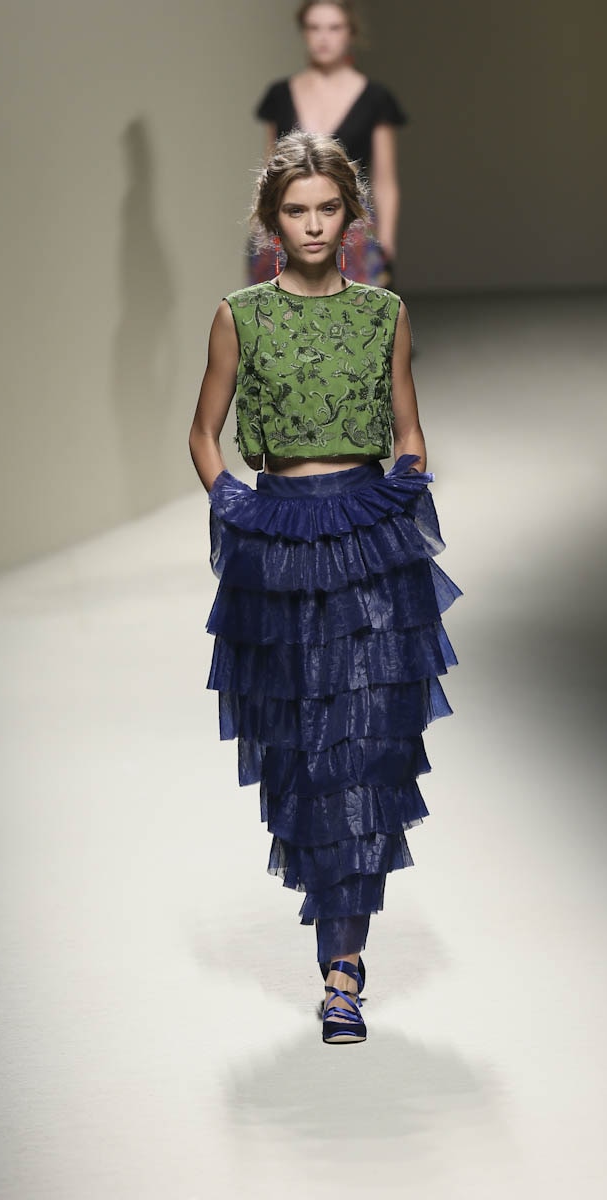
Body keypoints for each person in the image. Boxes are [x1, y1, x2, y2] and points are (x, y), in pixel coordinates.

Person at [189, 132, 459, 1044]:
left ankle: (344, 968)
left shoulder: (385, 313)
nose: (312, 225)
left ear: (351, 217)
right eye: (296, 211)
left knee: (367, 744)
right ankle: (331, 926)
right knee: (303, 745)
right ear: (272, 221)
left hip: (368, 534)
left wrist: (406, 482)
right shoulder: (239, 316)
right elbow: (203, 430)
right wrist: (227, 499)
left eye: (327, 209)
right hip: (278, 538)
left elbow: (409, 425)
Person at [247, 1, 406, 288]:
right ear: (303, 32)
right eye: (314, 28)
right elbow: (271, 173)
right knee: (280, 311)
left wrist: (387, 243)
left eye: (334, 28)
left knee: (355, 311)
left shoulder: (375, 98)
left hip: (352, 230)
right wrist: (263, 231)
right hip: (289, 228)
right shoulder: (280, 95)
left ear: (351, 33)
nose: (323, 38)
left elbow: (384, 180)